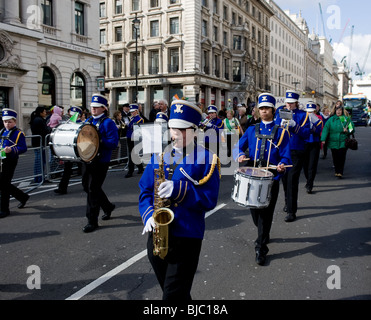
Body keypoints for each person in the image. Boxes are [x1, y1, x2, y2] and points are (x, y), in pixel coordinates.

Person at [139, 99, 221, 300]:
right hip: (158, 235)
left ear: (195, 130)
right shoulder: (159, 156)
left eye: (182, 129)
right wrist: (148, 215)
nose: (175, 134)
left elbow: (209, 200)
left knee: (172, 295)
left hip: (187, 234)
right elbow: (145, 191)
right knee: (177, 293)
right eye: (172, 128)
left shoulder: (208, 159)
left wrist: (179, 189)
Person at [233, 93, 291, 265]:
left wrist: (281, 164)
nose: (264, 111)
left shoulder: (281, 133)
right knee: (255, 213)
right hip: (252, 175)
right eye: (261, 108)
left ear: (273, 110)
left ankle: (260, 248)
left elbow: (286, 156)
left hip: (271, 178)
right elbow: (238, 147)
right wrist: (240, 155)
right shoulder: (252, 129)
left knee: (266, 213)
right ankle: (263, 233)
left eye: (267, 108)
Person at [81, 94, 119, 233]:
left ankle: (92, 221)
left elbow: (114, 143)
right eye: (92, 107)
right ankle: (107, 206)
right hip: (87, 159)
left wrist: (99, 141)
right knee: (87, 186)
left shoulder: (108, 122)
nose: (93, 109)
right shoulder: (88, 120)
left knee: (92, 189)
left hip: (101, 161)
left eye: (97, 107)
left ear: (103, 109)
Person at [274, 90, 310, 222]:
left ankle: (291, 211)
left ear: (296, 103)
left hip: (296, 150)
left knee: (292, 180)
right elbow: (274, 129)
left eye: (291, 104)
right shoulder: (280, 113)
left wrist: (295, 126)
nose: (288, 106)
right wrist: (279, 125)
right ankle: (287, 201)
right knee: (284, 178)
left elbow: (306, 133)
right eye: (287, 103)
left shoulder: (302, 115)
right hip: (283, 150)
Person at [0, 109, 29, 218]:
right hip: (1, 159)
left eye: (9, 122)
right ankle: (22, 197)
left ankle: (4, 209)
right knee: (3, 184)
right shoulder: (2, 131)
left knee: (4, 185)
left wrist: (11, 150)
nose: (7, 124)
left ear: (15, 122)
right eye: (5, 121)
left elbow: (23, 148)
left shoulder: (18, 133)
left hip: (10, 160)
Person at [321, 103, 355, 178]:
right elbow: (326, 129)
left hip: (343, 141)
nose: (338, 112)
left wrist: (347, 131)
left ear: (342, 111)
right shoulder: (331, 119)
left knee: (341, 157)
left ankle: (340, 172)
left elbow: (352, 129)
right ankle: (337, 170)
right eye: (337, 110)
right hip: (333, 142)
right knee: (335, 157)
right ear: (335, 111)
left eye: (340, 110)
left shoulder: (346, 119)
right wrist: (323, 139)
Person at [54, 106, 83, 195]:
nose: (71, 117)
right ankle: (62, 188)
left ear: (79, 116)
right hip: (70, 150)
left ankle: (87, 185)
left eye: (74, 115)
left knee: (84, 170)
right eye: (70, 115)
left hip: (80, 150)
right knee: (67, 170)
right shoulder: (67, 124)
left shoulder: (83, 124)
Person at [303, 102, 323, 194]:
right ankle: (308, 179)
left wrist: (313, 127)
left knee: (312, 165)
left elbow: (319, 130)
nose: (310, 113)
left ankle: (310, 184)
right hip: (305, 143)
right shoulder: (304, 118)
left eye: (312, 111)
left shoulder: (318, 119)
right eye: (308, 111)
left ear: (315, 111)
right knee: (305, 165)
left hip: (314, 143)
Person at [30, 106, 50, 183]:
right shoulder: (39, 120)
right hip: (39, 143)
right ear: (41, 112)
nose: (45, 113)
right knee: (40, 161)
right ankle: (39, 178)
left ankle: (39, 178)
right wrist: (49, 129)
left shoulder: (37, 119)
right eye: (44, 112)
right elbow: (44, 130)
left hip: (38, 142)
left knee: (40, 161)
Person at [125, 104, 144, 178]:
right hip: (129, 137)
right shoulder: (131, 119)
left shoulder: (140, 119)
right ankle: (140, 167)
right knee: (134, 154)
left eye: (133, 111)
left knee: (131, 155)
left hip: (135, 138)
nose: (132, 113)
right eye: (131, 111)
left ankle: (130, 171)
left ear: (136, 111)